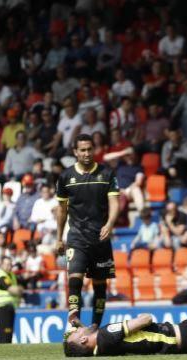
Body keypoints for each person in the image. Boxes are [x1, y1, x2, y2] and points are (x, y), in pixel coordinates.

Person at [55, 133, 120, 329]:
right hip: (76, 236)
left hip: (100, 237)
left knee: (100, 285)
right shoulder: (66, 177)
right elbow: (62, 210)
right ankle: (74, 317)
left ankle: (94, 327)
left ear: (94, 150)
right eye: (82, 150)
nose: (86, 153)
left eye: (89, 149)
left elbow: (115, 202)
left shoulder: (107, 174)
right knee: (74, 276)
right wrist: (59, 238)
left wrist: (109, 224)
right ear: (75, 152)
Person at [0, 256, 23, 343]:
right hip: (2, 307)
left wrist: (18, 290)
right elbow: (12, 290)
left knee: (9, 334)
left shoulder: (11, 275)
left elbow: (17, 290)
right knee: (5, 334)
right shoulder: (1, 275)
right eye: (7, 264)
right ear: (1, 265)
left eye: (10, 264)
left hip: (10, 307)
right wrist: (19, 290)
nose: (9, 266)